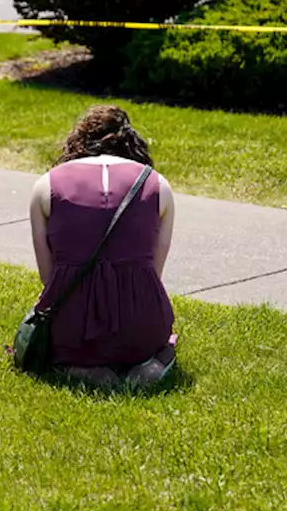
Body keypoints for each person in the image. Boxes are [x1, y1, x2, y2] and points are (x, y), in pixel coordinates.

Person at [29, 105, 177, 387]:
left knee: (60, 336)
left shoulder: (45, 185)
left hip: (72, 330)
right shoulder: (158, 185)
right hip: (142, 325)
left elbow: (48, 279)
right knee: (157, 340)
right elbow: (153, 275)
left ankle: (82, 369)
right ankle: (151, 364)